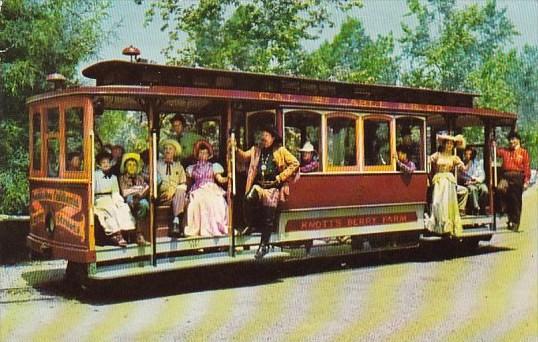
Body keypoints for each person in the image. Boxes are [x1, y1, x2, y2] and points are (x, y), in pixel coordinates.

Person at [234, 125, 299, 259]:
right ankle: (251, 224)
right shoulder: (256, 150)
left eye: (266, 136)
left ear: (273, 138)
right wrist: (235, 148)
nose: (263, 138)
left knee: (268, 218)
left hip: (273, 187)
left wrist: (280, 177)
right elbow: (243, 157)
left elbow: (295, 163)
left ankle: (264, 245)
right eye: (263, 135)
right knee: (248, 198)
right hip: (260, 186)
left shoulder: (280, 151)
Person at [425, 133, 468, 237]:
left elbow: (464, 167)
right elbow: (428, 160)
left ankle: (448, 228)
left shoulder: (454, 157)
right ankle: (439, 226)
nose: (449, 145)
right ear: (444, 144)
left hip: (448, 181)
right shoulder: (438, 155)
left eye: (451, 144)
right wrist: (427, 175)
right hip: (439, 180)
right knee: (437, 203)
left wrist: (463, 165)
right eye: (448, 143)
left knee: (447, 203)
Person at [184, 141, 228, 237]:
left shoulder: (214, 166)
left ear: (209, 154)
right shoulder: (192, 168)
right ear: (197, 154)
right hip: (198, 189)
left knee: (218, 201)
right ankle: (202, 229)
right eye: (201, 152)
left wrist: (228, 178)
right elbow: (187, 182)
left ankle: (215, 228)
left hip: (211, 188)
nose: (203, 155)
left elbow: (219, 179)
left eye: (205, 153)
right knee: (200, 201)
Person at [94, 151, 136, 247]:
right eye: (103, 163)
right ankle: (116, 235)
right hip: (99, 199)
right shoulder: (95, 175)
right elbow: (92, 191)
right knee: (110, 208)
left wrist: (119, 202)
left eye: (107, 162)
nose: (106, 164)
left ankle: (127, 232)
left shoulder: (113, 177)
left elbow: (115, 192)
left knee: (123, 207)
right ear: (99, 165)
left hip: (111, 198)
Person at [493, 131, 531, 231]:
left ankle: (515, 222)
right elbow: (495, 152)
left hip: (517, 178)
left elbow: (527, 167)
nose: (511, 141)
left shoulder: (523, 152)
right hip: (506, 176)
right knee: (500, 189)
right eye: (510, 139)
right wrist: (493, 144)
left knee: (515, 200)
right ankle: (503, 209)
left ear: (518, 140)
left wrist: (526, 180)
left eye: (513, 139)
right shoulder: (505, 151)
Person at [158, 139, 187, 237]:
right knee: (181, 196)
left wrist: (173, 190)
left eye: (170, 149)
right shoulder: (157, 165)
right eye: (166, 148)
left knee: (181, 191)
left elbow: (183, 183)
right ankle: (176, 221)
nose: (167, 151)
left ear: (174, 152)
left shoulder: (179, 166)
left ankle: (176, 222)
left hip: (176, 195)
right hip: (161, 195)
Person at [118, 152, 149, 245]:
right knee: (129, 201)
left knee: (144, 204)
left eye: (134, 165)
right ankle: (134, 234)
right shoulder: (122, 178)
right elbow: (124, 192)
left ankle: (139, 234)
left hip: (139, 200)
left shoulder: (140, 177)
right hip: (127, 201)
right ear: (125, 167)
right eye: (129, 165)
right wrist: (137, 189)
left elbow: (144, 189)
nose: (132, 167)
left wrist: (138, 190)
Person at [459, 147, 488, 215]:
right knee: (472, 189)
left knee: (484, 189)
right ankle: (476, 209)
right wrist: (469, 181)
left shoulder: (477, 164)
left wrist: (476, 181)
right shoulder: (462, 164)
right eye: (466, 154)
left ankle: (482, 208)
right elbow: (461, 175)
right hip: (468, 183)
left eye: (470, 154)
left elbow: (482, 176)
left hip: (478, 182)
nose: (468, 156)